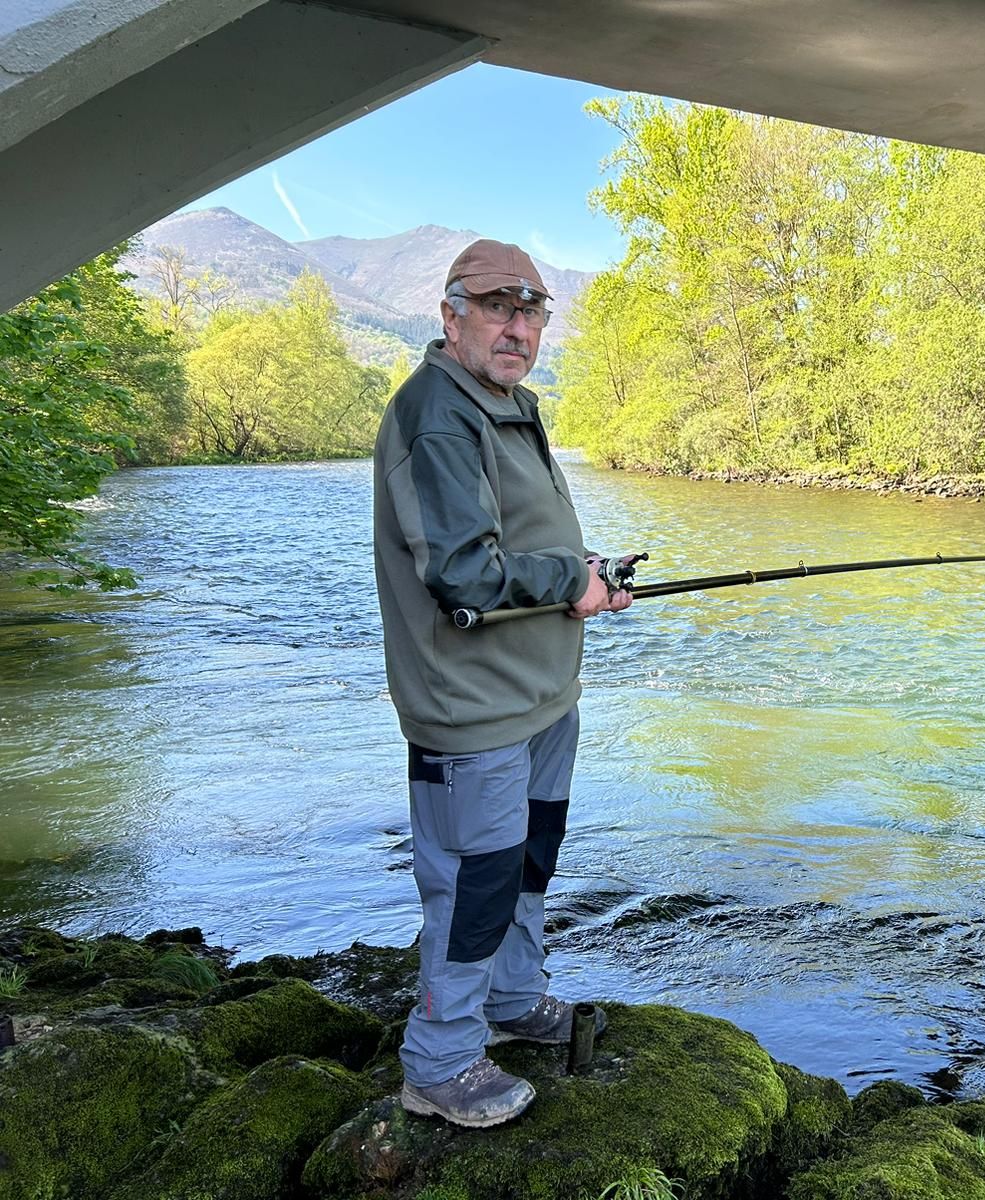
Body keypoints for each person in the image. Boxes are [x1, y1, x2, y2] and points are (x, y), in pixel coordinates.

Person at [372, 238, 632, 1128]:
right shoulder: (438, 414)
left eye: (532, 312)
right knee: (474, 884)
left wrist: (586, 569)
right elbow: (462, 573)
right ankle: (439, 1064)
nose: (517, 327)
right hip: (473, 711)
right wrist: (572, 585)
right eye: (496, 307)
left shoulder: (506, 403)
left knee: (527, 864)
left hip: (540, 696)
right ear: (451, 315)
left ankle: (513, 1001)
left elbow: (516, 541)